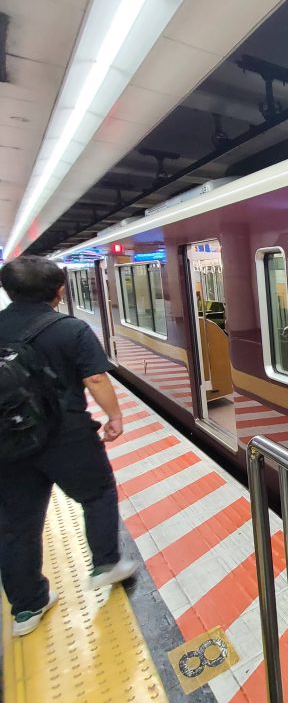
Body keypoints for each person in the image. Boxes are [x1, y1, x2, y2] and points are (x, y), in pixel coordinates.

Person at [0, 256, 137, 637]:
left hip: (9, 444)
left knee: (15, 526)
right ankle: (106, 563)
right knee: (97, 495)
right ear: (60, 291)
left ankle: (27, 608)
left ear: (8, 291)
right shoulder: (70, 329)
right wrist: (115, 417)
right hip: (68, 436)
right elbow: (95, 378)